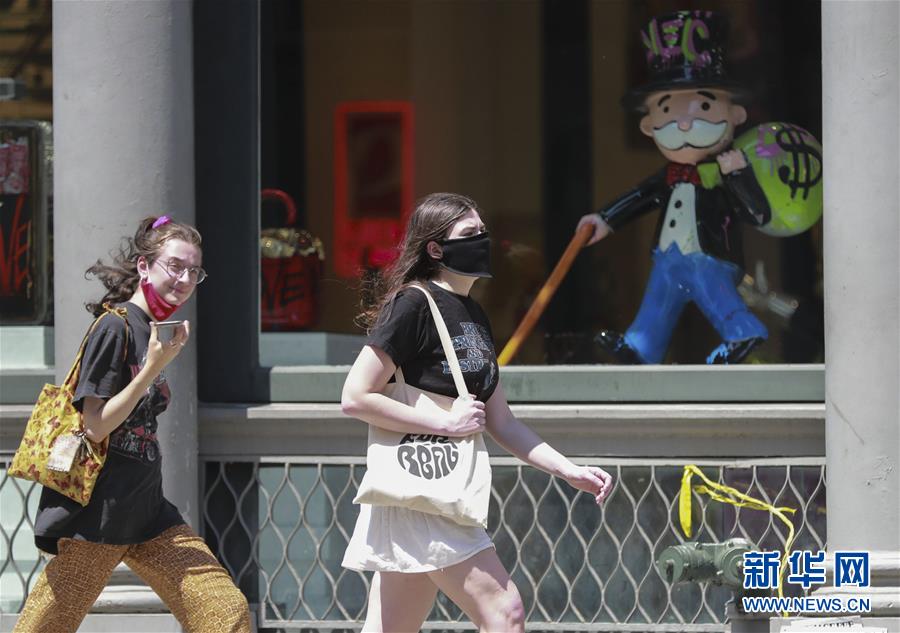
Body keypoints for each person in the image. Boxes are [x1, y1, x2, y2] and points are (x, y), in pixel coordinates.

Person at [341, 193, 614, 633]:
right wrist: (444, 422)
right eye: (470, 234)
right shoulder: (412, 304)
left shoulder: (473, 314)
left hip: (430, 490)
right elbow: (355, 396)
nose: (483, 241)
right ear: (435, 248)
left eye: (483, 232)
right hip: (423, 486)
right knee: (505, 611)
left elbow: (501, 421)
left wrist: (569, 471)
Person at [14, 216, 251, 633]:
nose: (185, 279)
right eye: (175, 266)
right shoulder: (114, 326)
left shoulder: (152, 331)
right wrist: (153, 368)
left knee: (224, 610)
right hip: (98, 517)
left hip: (149, 515)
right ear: (144, 266)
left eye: (194, 271)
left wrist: (157, 361)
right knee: (44, 628)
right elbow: (95, 426)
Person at [577, 10, 771, 365]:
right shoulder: (668, 175)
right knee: (657, 299)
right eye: (667, 110)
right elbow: (639, 196)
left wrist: (738, 176)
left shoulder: (728, 169)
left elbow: (758, 213)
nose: (684, 123)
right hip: (668, 254)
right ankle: (641, 347)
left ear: (736, 115)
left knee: (713, 290)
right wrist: (605, 219)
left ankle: (744, 332)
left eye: (704, 106)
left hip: (710, 253)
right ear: (648, 126)